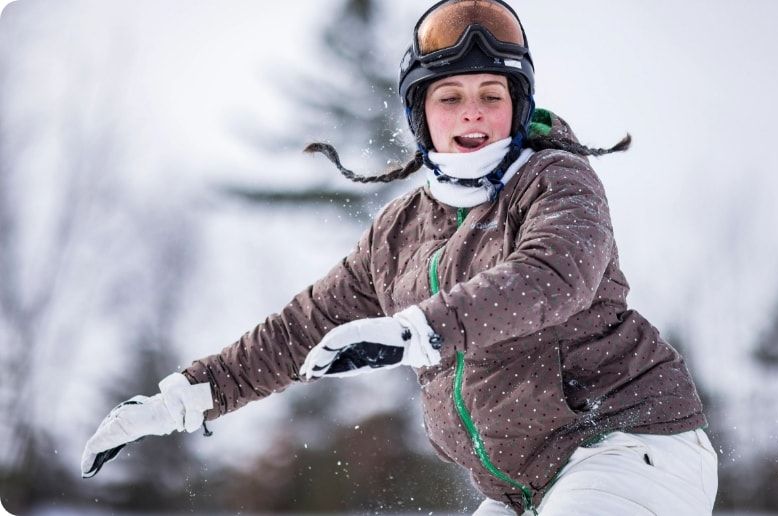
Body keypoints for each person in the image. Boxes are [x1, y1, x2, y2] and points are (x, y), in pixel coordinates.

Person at [81, 1, 718, 514]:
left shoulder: (556, 180)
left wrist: (419, 331)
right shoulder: (401, 232)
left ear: (517, 106)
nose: (473, 110)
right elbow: (302, 329)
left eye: (491, 93)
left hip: (630, 447)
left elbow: (552, 276)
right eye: (450, 96)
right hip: (525, 489)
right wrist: (189, 397)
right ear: (422, 114)